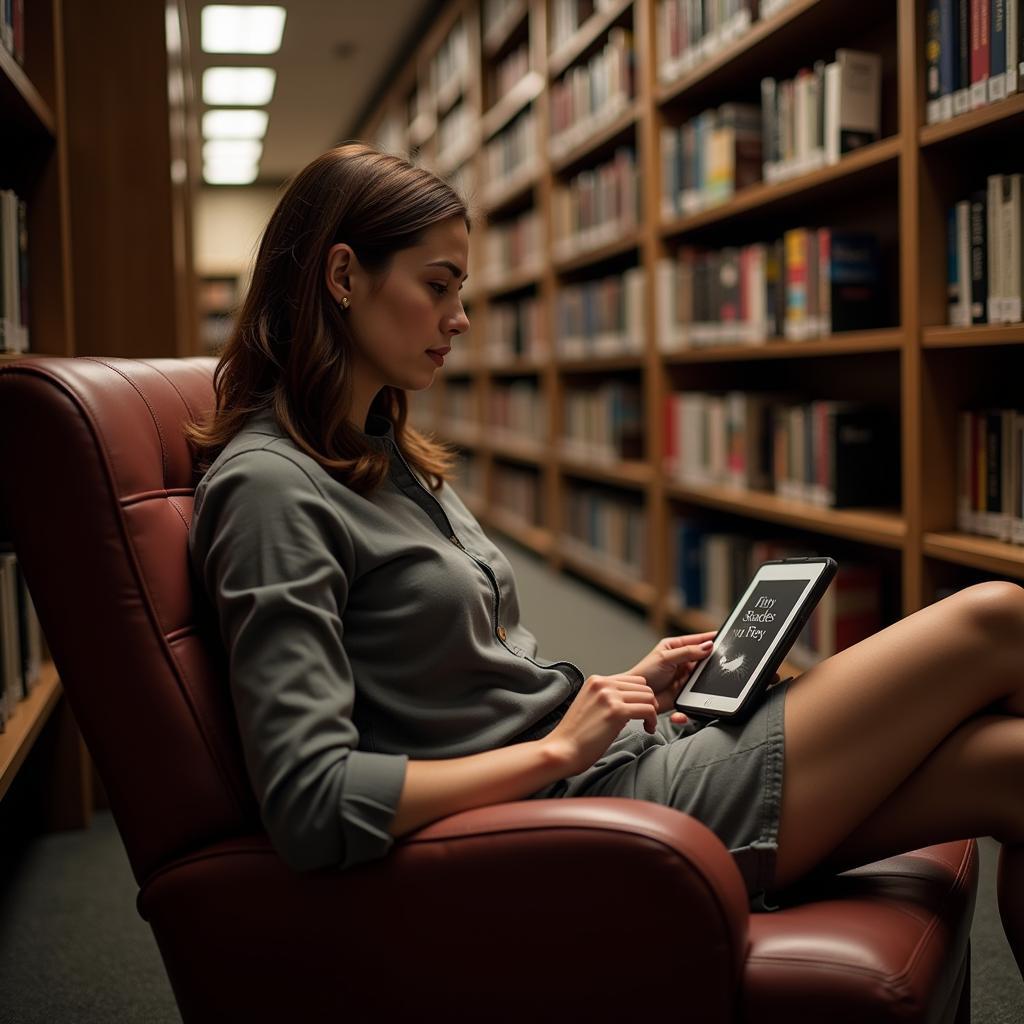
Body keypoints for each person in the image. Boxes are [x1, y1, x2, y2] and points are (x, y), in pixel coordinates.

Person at [188, 143, 1024, 971]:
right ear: (343, 277)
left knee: (1010, 768)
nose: (460, 317)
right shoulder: (271, 490)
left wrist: (626, 694)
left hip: (615, 762)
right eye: (437, 286)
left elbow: (462, 688)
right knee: (997, 617)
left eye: (462, 290)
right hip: (579, 814)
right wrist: (560, 749)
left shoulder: (379, 449)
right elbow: (310, 801)